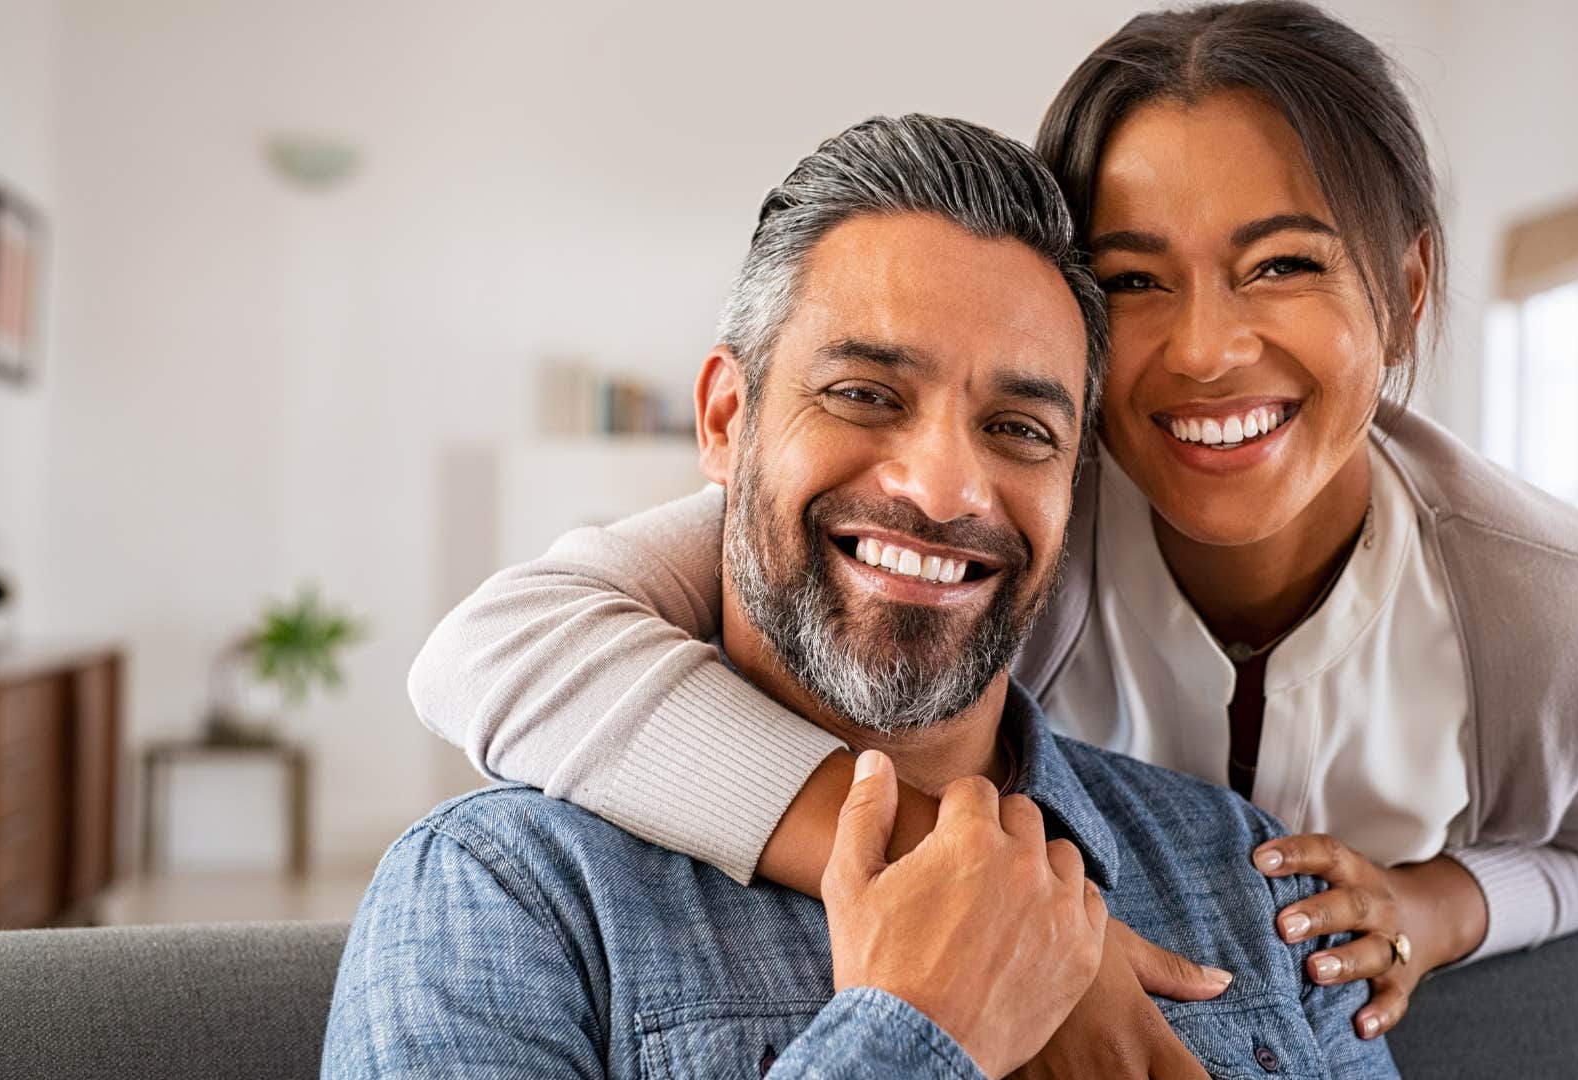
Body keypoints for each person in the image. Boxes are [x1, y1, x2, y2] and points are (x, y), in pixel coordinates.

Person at [411, 0, 1578, 1056]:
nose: (1205, 349)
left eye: (1284, 264)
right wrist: (995, 908)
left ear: (1406, 291)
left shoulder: (1572, 612)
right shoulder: (1002, 513)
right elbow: (502, 644)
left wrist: (1439, 903)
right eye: (1134, 280)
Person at [324, 114, 1397, 1080]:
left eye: (1020, 429)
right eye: (864, 396)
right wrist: (917, 1030)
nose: (941, 488)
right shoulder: (504, 896)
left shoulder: (1250, 878)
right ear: (725, 423)